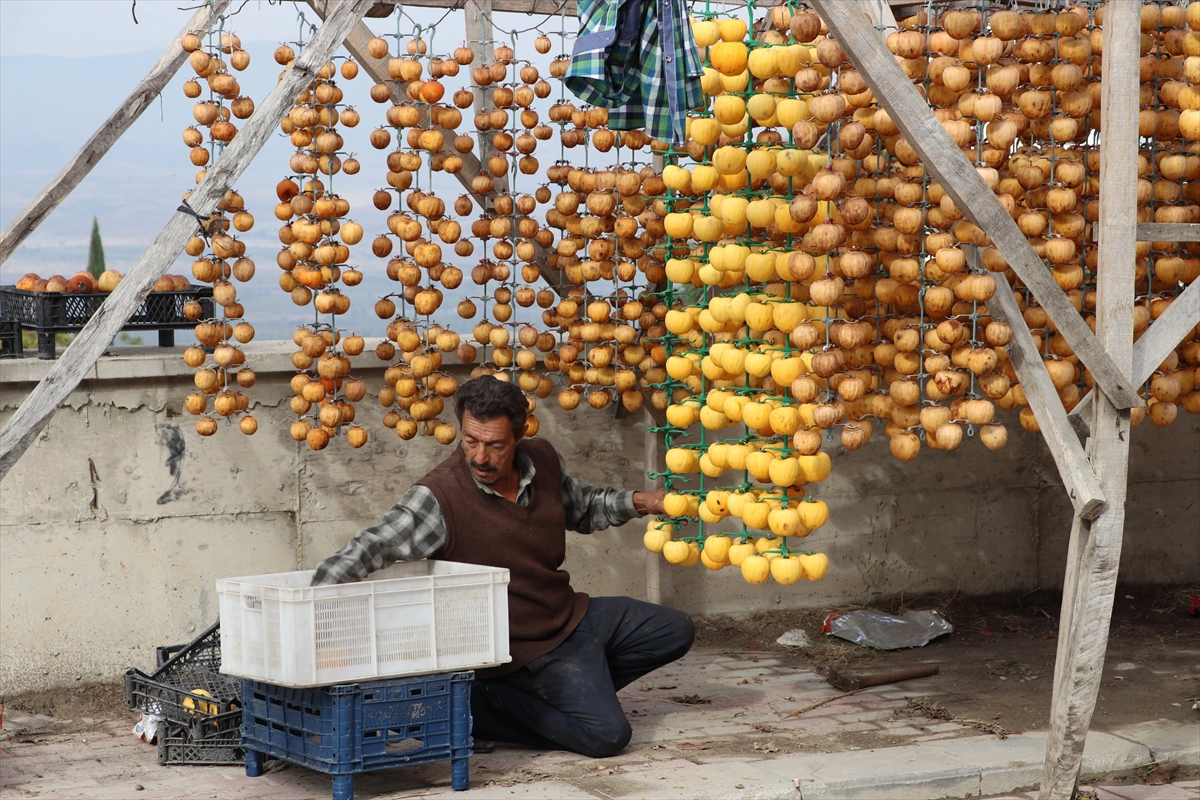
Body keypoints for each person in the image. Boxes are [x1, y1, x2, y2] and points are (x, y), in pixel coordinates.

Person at [311, 376, 695, 758]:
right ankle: (485, 709)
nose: (480, 457)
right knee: (607, 735)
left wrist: (644, 501)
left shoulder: (542, 458)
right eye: (470, 441)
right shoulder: (440, 497)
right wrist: (312, 607)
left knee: (674, 630)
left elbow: (584, 506)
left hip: (566, 614)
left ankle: (565, 688)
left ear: (520, 435)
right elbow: (372, 545)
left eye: (494, 445)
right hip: (520, 646)